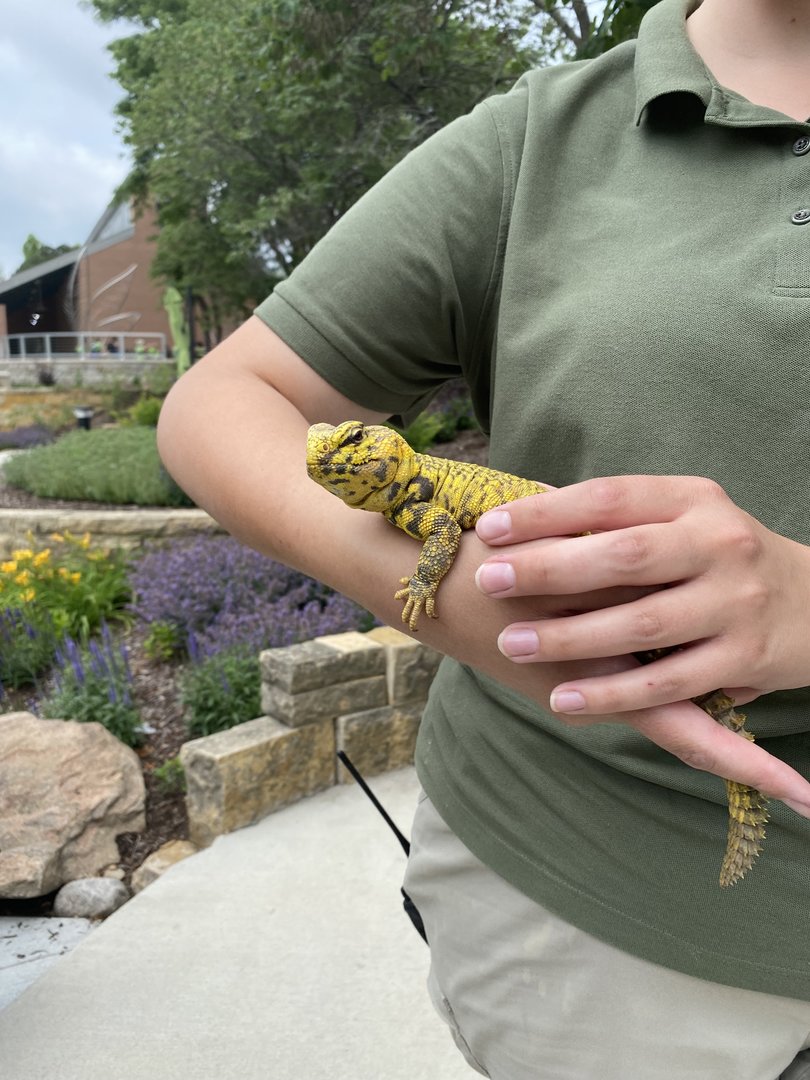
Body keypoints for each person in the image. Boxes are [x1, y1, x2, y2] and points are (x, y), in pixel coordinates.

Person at [157, 0, 810, 1075]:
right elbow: (226, 400)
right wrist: (460, 603)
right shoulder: (538, 134)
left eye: (355, 462)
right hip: (579, 893)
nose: (345, 466)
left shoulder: (409, 489)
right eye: (348, 463)